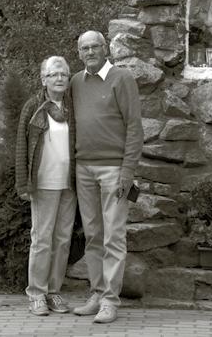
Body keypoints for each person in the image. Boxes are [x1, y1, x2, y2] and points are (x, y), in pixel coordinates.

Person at [71, 30, 143, 324]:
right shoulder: (76, 82)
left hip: (115, 171)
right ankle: (97, 292)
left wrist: (128, 172)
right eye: (84, 48)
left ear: (106, 48)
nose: (90, 52)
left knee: (114, 235)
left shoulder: (122, 78)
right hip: (83, 169)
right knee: (93, 236)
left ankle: (111, 301)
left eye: (95, 46)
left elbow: (135, 127)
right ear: (79, 53)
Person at [15, 56, 76, 317]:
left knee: (62, 240)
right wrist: (23, 183)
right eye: (53, 75)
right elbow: (21, 147)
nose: (59, 79)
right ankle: (36, 294)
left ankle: (54, 292)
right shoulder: (34, 106)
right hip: (43, 184)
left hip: (69, 184)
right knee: (41, 239)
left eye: (63, 74)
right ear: (44, 79)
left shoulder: (74, 106)